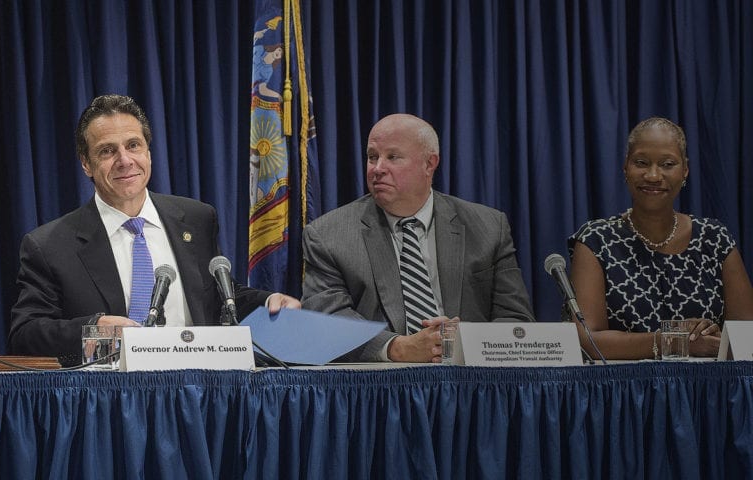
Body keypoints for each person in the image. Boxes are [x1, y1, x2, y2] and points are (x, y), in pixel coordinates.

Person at [8, 94, 300, 363]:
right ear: (86, 164)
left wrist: (267, 302)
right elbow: (25, 333)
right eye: (107, 151)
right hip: (111, 402)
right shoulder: (50, 245)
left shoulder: (197, 219)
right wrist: (91, 328)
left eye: (133, 145)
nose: (125, 160)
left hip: (199, 390)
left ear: (148, 152)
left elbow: (218, 295)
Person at [301, 113, 534, 363]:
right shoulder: (328, 235)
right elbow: (326, 319)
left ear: (429, 164)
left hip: (472, 385)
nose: (377, 169)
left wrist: (468, 339)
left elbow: (516, 319)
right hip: (379, 389)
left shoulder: (488, 227)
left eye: (393, 157)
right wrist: (397, 347)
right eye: (372, 157)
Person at [568, 117, 753, 360]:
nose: (653, 175)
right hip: (624, 392)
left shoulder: (714, 238)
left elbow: (746, 337)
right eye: (641, 163)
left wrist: (713, 336)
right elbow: (587, 341)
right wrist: (675, 341)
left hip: (709, 392)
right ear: (625, 168)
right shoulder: (596, 240)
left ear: (685, 171)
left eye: (668, 164)